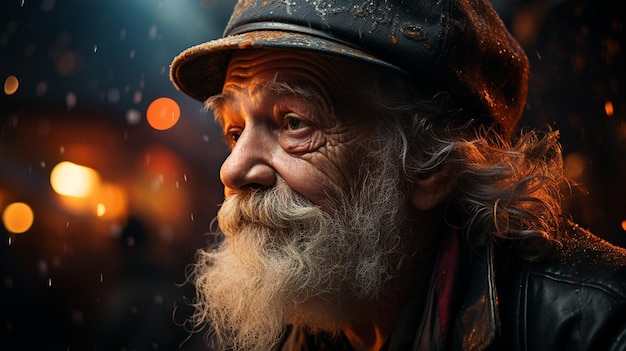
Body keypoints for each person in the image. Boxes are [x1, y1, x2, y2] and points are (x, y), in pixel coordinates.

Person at [169, 0, 626, 349]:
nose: (232, 169)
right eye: (233, 130)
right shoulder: (302, 314)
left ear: (431, 164)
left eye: (294, 123)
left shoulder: (595, 326)